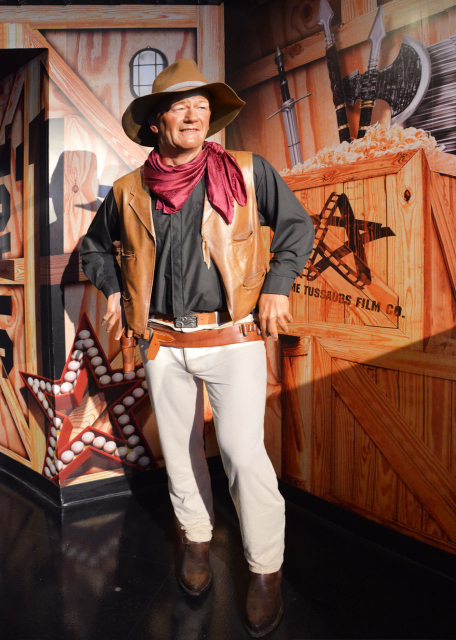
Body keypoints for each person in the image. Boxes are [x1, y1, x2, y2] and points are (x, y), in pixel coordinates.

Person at [80, 58, 314, 638]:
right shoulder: (129, 191)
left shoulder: (247, 172)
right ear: (156, 121)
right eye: (180, 107)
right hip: (162, 341)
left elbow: (296, 228)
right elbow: (94, 249)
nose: (194, 116)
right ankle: (197, 541)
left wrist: (278, 285)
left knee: (241, 453)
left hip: (232, 336)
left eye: (202, 107)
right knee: (181, 453)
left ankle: (265, 569)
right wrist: (114, 289)